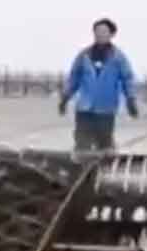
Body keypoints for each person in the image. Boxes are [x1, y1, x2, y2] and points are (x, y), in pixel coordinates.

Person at [59, 17, 139, 152]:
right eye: (97, 31)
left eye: (104, 31)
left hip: (106, 109)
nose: (100, 34)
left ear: (112, 34)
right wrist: (65, 98)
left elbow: (127, 79)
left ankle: (104, 168)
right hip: (85, 108)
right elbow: (74, 78)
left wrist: (130, 100)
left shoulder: (118, 57)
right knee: (82, 144)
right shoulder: (84, 55)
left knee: (104, 145)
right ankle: (83, 169)